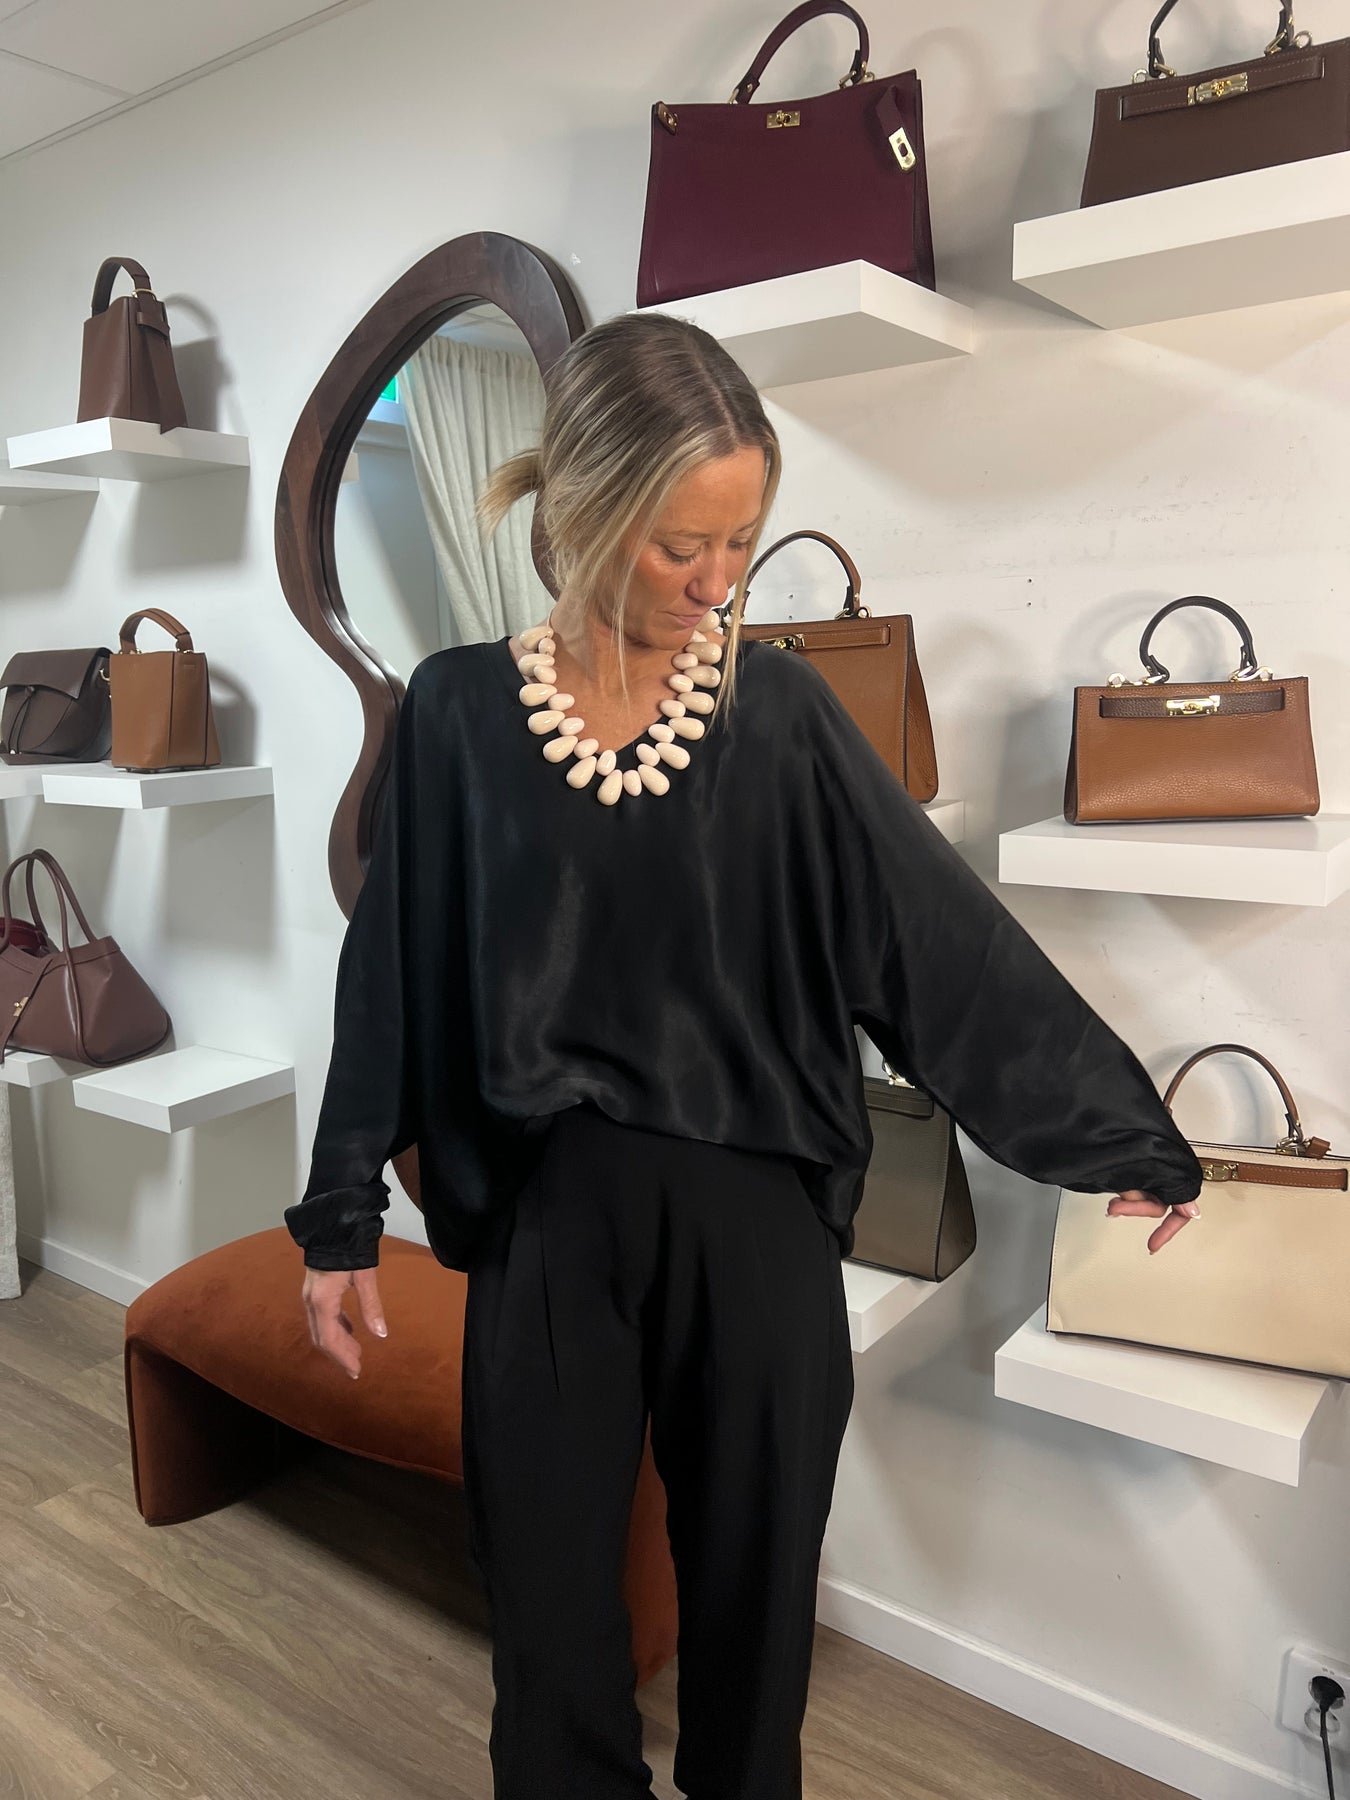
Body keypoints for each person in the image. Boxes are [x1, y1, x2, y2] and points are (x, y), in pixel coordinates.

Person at [284, 312, 1204, 1800]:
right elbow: (390, 977)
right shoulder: (457, 710)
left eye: (740, 544)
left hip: (758, 1229)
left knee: (754, 1625)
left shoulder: (777, 712)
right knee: (546, 1629)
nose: (718, 585)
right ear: (587, 509)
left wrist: (1116, 1139)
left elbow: (934, 942)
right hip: (549, 1231)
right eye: (680, 547)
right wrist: (337, 1221)